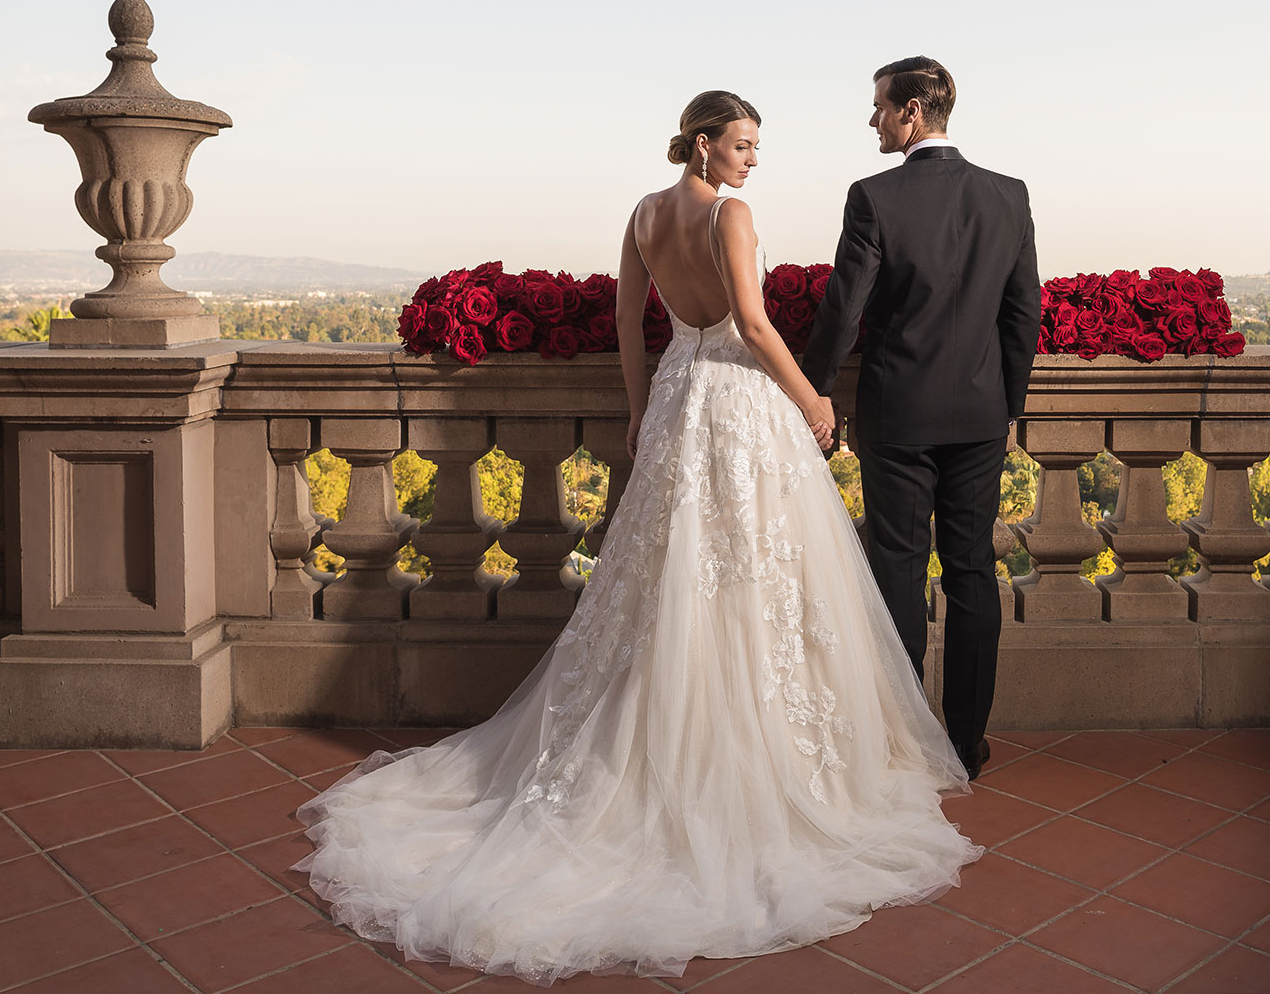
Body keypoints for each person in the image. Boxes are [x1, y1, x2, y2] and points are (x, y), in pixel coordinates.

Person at [290, 90, 982, 985]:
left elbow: (629, 324)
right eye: (742, 144)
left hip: (675, 396)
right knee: (745, 576)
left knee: (671, 581)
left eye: (755, 147)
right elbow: (758, 323)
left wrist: (635, 410)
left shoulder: (645, 213)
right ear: (704, 144)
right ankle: (743, 757)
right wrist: (811, 400)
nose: (753, 160)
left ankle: (667, 740)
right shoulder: (729, 214)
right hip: (734, 398)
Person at [800, 57, 1042, 781]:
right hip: (979, 416)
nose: (872, 119)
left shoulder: (874, 197)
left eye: (878, 106)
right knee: (972, 571)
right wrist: (1007, 405)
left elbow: (844, 309)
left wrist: (810, 392)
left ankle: (906, 745)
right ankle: (965, 743)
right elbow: (1023, 310)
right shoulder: (1008, 194)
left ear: (911, 112)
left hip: (899, 415)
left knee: (898, 574)